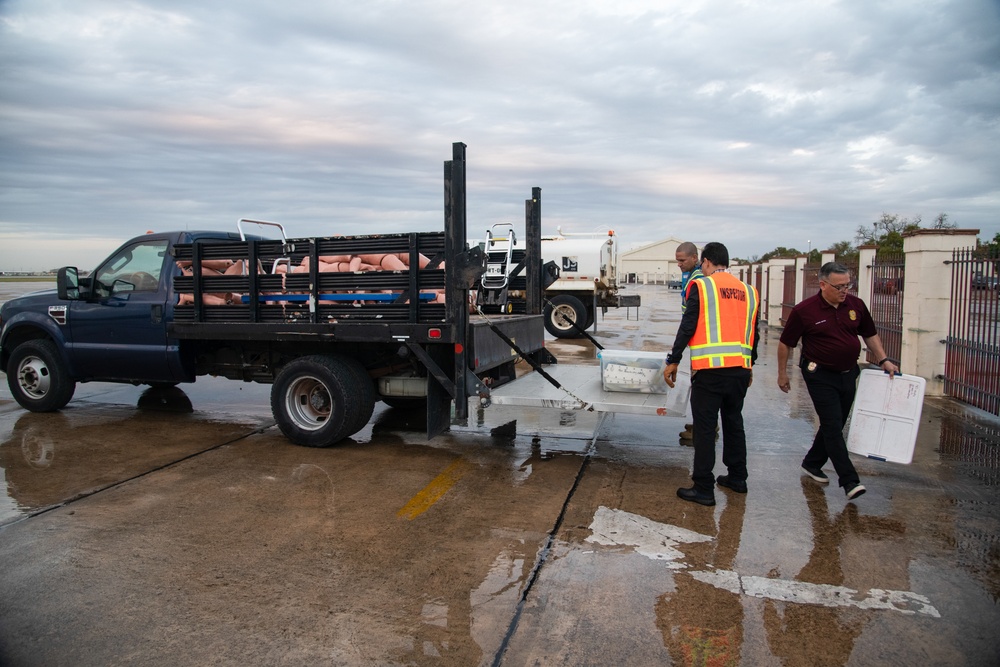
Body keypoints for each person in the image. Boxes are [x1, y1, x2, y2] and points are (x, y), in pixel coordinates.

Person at [777, 262, 900, 500]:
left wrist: (883, 359)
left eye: (848, 285)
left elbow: (869, 334)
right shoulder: (805, 310)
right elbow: (786, 343)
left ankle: (812, 462)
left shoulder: (856, 305)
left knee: (836, 422)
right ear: (823, 285)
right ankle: (849, 480)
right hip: (819, 373)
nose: (845, 291)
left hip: (848, 372)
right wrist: (783, 373)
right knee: (832, 424)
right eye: (839, 286)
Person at [664, 242, 760, 506]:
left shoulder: (703, 286)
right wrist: (750, 364)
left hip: (710, 371)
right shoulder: (749, 291)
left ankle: (704, 488)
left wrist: (674, 360)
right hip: (740, 370)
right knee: (733, 422)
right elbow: (754, 333)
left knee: (705, 429)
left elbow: (688, 325)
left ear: (705, 261)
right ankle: (738, 478)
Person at [675, 242, 703, 441]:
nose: (679, 264)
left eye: (682, 260)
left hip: (702, 341)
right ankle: (701, 424)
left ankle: (702, 429)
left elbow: (691, 318)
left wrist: (675, 355)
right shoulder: (691, 275)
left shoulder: (699, 279)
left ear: (695, 258)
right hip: (697, 340)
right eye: (677, 260)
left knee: (700, 387)